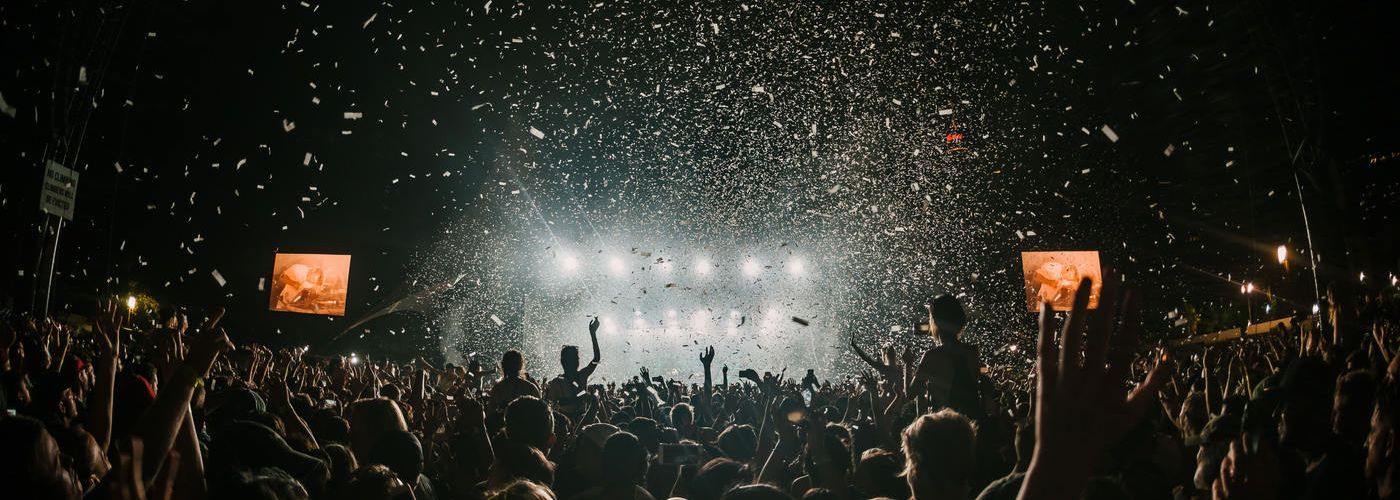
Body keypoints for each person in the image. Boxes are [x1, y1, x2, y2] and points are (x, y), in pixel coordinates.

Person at [910, 294, 985, 419]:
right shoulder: (972, 352)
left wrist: (907, 363)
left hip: (945, 426)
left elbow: (911, 394)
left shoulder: (932, 356)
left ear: (936, 320)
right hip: (971, 425)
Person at [545, 318, 601, 417]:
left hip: (580, 421)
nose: (576, 361)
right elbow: (550, 405)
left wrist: (593, 334)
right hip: (564, 423)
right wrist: (580, 397)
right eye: (574, 359)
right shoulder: (557, 382)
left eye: (576, 358)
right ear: (564, 362)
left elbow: (597, 358)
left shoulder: (579, 376)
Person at [490, 350, 541, 417]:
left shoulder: (497, 389)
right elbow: (540, 414)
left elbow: (490, 416)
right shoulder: (530, 388)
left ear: (503, 365)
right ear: (521, 365)